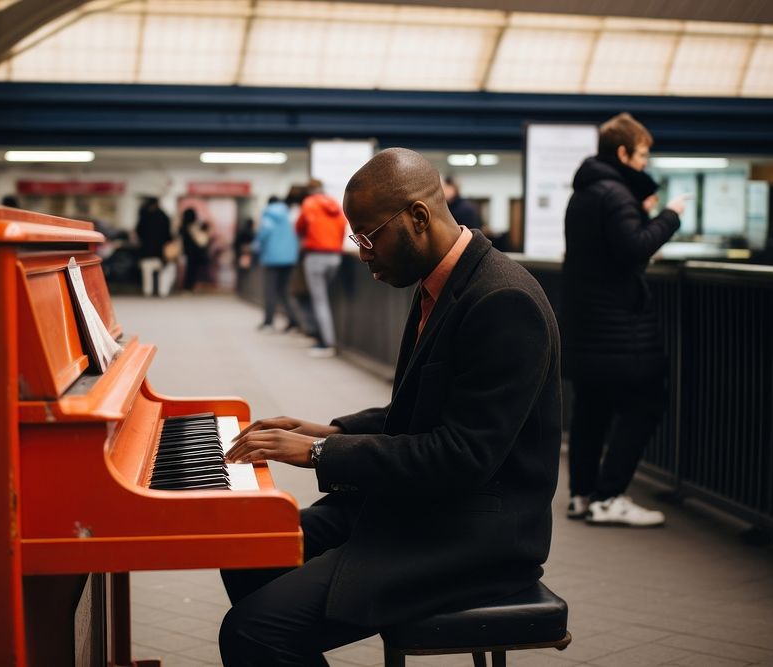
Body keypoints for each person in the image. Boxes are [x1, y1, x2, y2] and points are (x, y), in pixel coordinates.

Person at [219, 148, 562, 666]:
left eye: (366, 235)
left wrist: (316, 453)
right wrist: (327, 429)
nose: (361, 252)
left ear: (418, 218)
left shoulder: (502, 301)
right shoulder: (444, 283)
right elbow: (423, 412)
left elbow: (460, 456)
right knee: (248, 550)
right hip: (426, 507)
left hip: (473, 535)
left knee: (254, 631)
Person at [562, 112, 688, 527]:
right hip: (619, 329)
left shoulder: (584, 193)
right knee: (647, 402)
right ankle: (610, 494)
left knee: (591, 409)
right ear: (622, 152)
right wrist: (668, 216)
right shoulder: (614, 194)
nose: (645, 163)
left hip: (587, 325)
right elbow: (634, 248)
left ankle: (582, 495)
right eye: (643, 154)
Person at [296, 179, 347, 357]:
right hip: (335, 257)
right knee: (325, 298)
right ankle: (327, 337)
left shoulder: (309, 204)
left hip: (316, 256)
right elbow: (342, 227)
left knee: (319, 300)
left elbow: (299, 227)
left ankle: (327, 343)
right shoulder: (335, 205)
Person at [255, 196, 300, 332]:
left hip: (272, 258)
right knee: (285, 291)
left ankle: (269, 322)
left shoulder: (268, 214)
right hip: (290, 258)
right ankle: (293, 321)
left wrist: (255, 248)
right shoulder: (289, 214)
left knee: (270, 291)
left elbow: (264, 234)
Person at [135, 197, 176, 297]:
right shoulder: (164, 216)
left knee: (147, 273)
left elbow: (138, 231)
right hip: (161, 252)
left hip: (146, 252)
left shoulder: (144, 216)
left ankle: (147, 291)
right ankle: (163, 291)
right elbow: (169, 235)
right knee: (164, 271)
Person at [180, 208, 212, 292]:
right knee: (192, 270)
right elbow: (201, 240)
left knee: (190, 269)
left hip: (187, 251)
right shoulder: (194, 226)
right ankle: (188, 287)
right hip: (195, 251)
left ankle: (188, 287)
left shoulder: (183, 226)